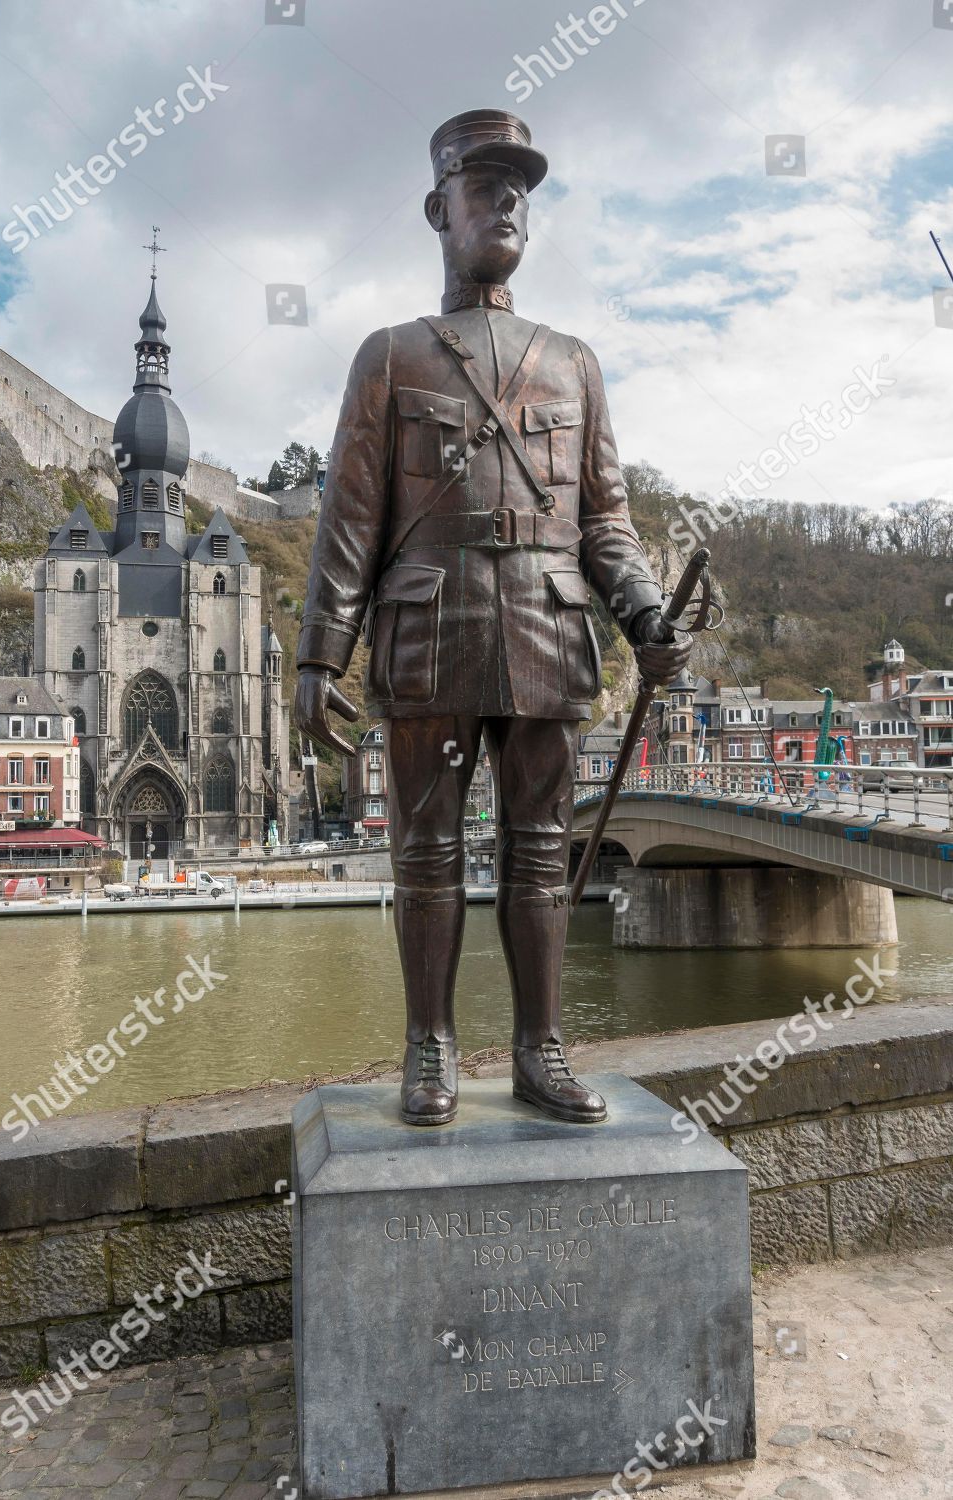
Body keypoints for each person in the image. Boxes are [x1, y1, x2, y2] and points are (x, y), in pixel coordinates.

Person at [295, 110, 690, 1127]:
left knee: (540, 850)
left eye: (519, 187)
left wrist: (644, 611)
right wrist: (316, 660)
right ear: (439, 208)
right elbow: (349, 521)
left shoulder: (574, 362)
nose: (506, 201)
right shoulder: (387, 357)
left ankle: (539, 1048)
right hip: (428, 627)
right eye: (484, 184)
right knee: (423, 852)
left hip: (549, 630)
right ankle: (429, 1044)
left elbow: (606, 523)